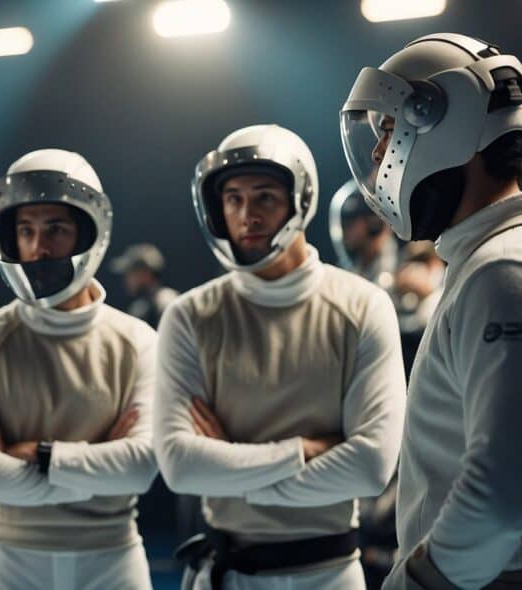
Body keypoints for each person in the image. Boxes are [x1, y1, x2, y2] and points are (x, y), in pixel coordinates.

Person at [341, 33, 522, 588]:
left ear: (442, 124)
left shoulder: (508, 270)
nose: (380, 154)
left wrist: (418, 580)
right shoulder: (512, 256)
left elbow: (504, 492)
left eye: (388, 129)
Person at [154, 124, 405, 590]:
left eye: (265, 197)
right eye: (233, 199)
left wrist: (229, 461)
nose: (247, 215)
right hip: (226, 574)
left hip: (329, 575)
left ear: (300, 198)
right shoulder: (190, 316)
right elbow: (180, 466)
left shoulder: (362, 305)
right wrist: (305, 452)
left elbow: (370, 469)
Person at [0, 148, 158, 589]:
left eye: (56, 229)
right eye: (25, 229)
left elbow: (141, 467)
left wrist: (37, 455)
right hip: (9, 564)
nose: (39, 247)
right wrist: (94, 468)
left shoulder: (138, 341)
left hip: (114, 562)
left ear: (88, 232)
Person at [109, 243, 179, 329]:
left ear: (146, 274)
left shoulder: (165, 302)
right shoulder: (141, 307)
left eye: (131, 273)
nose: (126, 279)